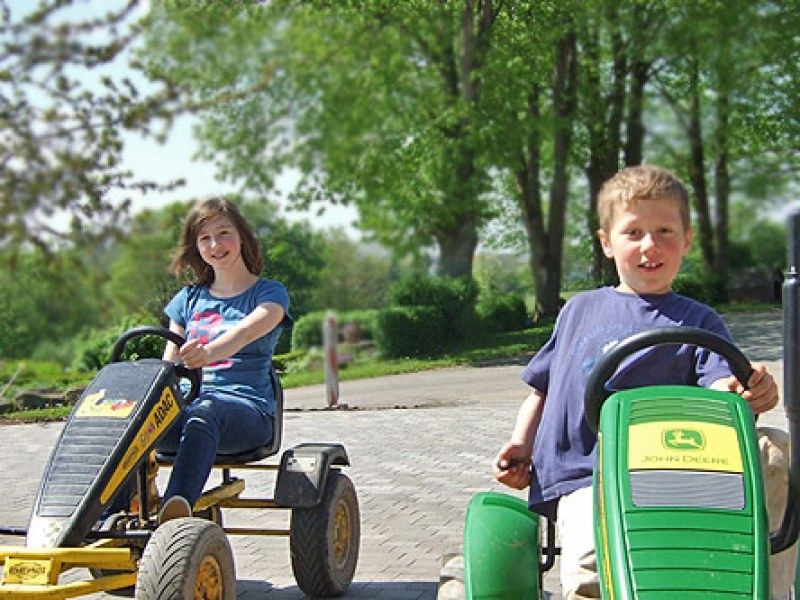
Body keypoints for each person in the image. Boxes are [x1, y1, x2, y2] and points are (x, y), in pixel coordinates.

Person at [493, 165, 793, 599]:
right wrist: (521, 444)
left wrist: (745, 392)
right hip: (587, 475)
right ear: (606, 244)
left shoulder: (699, 321)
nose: (650, 245)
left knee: (775, 450)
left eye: (665, 231)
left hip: (673, 473)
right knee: (591, 574)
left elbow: (719, 386)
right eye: (633, 232)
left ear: (686, 240)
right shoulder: (579, 310)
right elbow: (543, 387)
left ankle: (763, 588)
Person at [156, 197, 293, 522]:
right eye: (205, 238)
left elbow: (245, 333)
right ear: (196, 247)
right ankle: (108, 519)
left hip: (247, 411)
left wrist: (206, 354)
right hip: (190, 407)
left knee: (206, 411)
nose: (215, 245)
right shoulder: (187, 299)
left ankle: (174, 513)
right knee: (130, 422)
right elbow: (169, 362)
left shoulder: (270, 294)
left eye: (223, 233)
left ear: (242, 236)